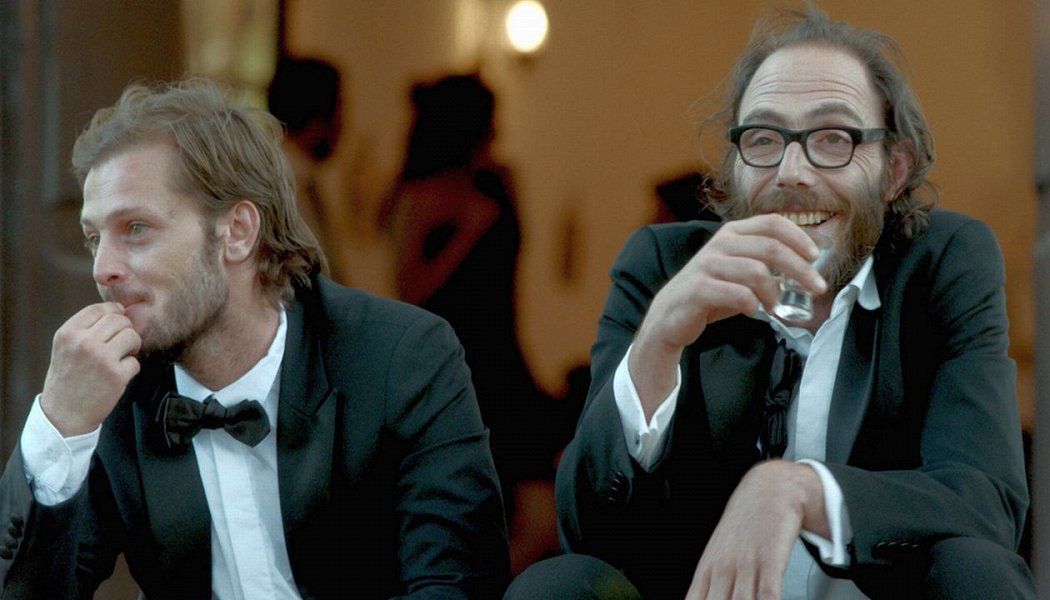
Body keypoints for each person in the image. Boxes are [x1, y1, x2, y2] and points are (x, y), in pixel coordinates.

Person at [506, 6, 1034, 600]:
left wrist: (795, 489)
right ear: (734, 169)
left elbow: (986, 502)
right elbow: (587, 530)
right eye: (763, 139)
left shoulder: (943, 264)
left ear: (893, 170)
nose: (792, 172)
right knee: (556, 586)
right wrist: (657, 343)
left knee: (976, 569)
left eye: (833, 139)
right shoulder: (663, 266)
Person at [0, 78, 509, 599]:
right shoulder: (113, 390)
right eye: (94, 237)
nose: (102, 268)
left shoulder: (401, 358)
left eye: (136, 228)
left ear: (238, 232)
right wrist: (58, 427)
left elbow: (456, 586)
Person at [378, 74, 569, 575]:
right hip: (453, 370)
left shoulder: (499, 182)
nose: (497, 134)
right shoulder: (422, 196)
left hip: (503, 363)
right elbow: (409, 289)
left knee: (539, 512)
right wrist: (469, 232)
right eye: (489, 124)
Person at [267, 56, 349, 282]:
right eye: (340, 110)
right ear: (319, 120)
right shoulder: (281, 185)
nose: (343, 125)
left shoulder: (301, 182)